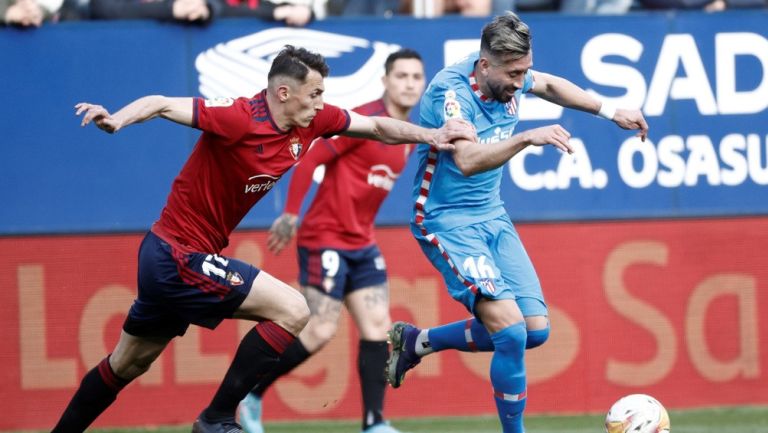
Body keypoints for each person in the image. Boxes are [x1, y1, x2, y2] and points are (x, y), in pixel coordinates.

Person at [55, 45, 473, 433]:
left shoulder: (315, 121)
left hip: (171, 257)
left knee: (125, 365)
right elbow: (163, 103)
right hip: (175, 255)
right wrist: (117, 119)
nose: (321, 103)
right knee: (294, 309)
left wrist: (431, 136)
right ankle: (218, 417)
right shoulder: (239, 117)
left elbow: (377, 125)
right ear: (285, 92)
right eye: (314, 94)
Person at [385, 12, 648, 433]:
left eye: (524, 70)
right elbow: (467, 161)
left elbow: (550, 84)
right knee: (509, 331)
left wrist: (611, 110)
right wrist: (527, 136)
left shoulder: (512, 73)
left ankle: (418, 342)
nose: (521, 81)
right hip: (446, 220)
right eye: (514, 73)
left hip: (492, 214)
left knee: (534, 331)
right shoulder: (449, 94)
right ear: (485, 65)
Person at [237, 48, 426, 433]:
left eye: (415, 77)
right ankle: (249, 394)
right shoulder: (366, 121)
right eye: (401, 76)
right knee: (320, 330)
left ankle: (374, 422)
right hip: (324, 238)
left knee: (378, 327)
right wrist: (291, 212)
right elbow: (311, 158)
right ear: (386, 81)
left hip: (361, 243)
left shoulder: (405, 136)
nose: (409, 83)